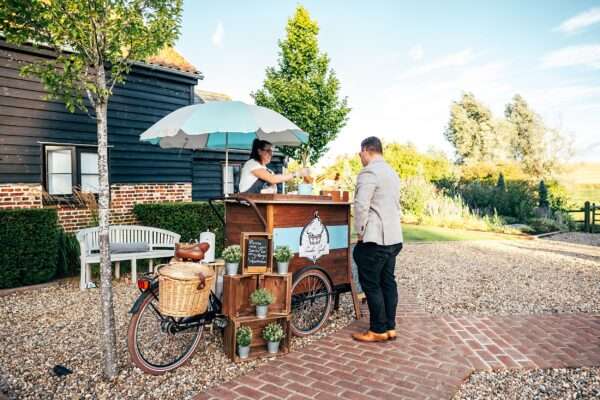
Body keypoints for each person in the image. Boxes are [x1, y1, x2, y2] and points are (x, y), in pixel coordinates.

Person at [352, 136, 403, 342]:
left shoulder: (369, 171)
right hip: (393, 238)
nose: (359, 156)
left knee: (371, 284)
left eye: (360, 152)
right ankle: (390, 327)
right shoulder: (392, 172)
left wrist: (361, 232)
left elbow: (361, 205)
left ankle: (377, 330)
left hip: (375, 238)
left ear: (366, 150)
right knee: (387, 282)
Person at [238, 139, 309, 193]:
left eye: (272, 151)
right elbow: (272, 179)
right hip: (248, 206)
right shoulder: (252, 164)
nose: (271, 154)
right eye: (268, 150)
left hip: (260, 204)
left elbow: (272, 187)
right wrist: (296, 173)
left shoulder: (268, 171)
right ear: (259, 151)